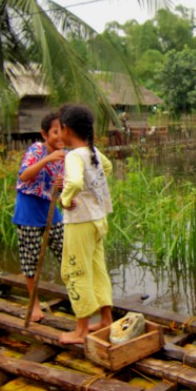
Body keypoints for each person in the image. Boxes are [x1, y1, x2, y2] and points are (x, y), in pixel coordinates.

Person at [55, 103, 115, 345]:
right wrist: (92, 188)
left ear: (66, 129)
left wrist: (65, 199)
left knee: (74, 271)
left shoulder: (73, 156)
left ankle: (81, 330)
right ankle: (106, 318)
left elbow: (76, 182)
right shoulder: (92, 152)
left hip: (80, 221)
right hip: (98, 219)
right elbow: (107, 168)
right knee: (97, 269)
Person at [14, 111, 65, 322]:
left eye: (63, 131)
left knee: (67, 254)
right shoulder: (37, 149)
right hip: (29, 214)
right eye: (55, 132)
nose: (60, 136)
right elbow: (24, 175)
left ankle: (78, 297)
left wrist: (64, 188)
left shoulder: (67, 156)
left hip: (52, 213)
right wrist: (47, 159)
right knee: (31, 262)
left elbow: (64, 191)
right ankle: (34, 304)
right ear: (45, 134)